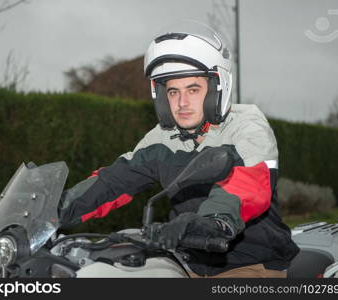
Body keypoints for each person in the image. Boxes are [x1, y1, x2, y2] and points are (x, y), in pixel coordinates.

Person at [58, 27, 299, 278]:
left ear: (217, 87)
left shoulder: (248, 126)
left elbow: (245, 187)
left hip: (250, 265)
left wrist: (211, 220)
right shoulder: (163, 138)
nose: (182, 102)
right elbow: (113, 181)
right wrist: (53, 210)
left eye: (193, 90)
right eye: (173, 91)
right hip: (187, 263)